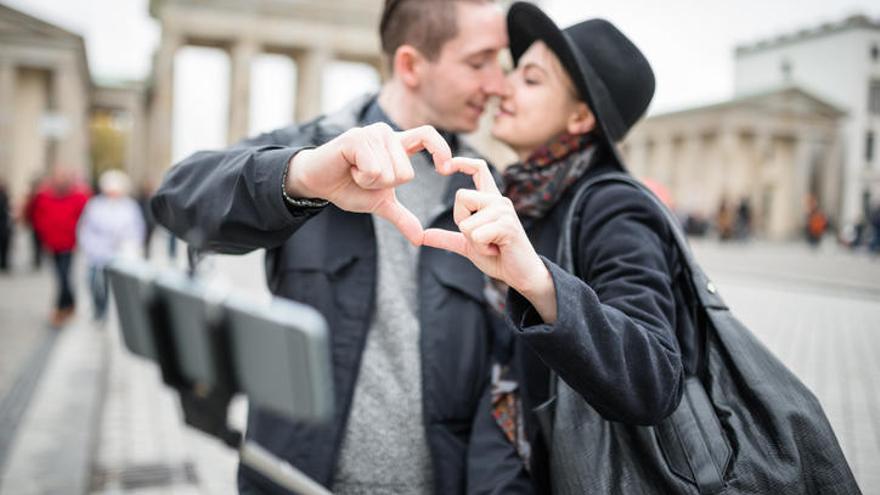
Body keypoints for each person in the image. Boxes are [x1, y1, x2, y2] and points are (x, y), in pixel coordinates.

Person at [151, 0, 533, 493]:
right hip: (295, 480)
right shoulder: (310, 150)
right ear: (411, 65)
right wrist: (302, 176)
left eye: (501, 66)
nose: (499, 85)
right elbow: (175, 198)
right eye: (479, 62)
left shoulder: (490, 191)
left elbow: (503, 383)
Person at [422, 4, 687, 491]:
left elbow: (655, 377)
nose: (502, 87)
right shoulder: (527, 197)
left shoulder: (614, 207)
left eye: (532, 79)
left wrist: (539, 284)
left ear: (581, 115)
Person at [77, 170, 145, 321]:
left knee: (114, 286)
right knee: (94, 283)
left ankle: (111, 312)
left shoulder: (130, 206)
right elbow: (86, 228)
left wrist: (130, 247)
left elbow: (136, 229)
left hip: (120, 253)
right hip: (97, 252)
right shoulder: (95, 205)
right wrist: (90, 247)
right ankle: (99, 308)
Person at [31, 165, 91, 327]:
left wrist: (82, 239)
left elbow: (86, 219)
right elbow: (36, 215)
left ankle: (59, 309)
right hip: (52, 242)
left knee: (63, 275)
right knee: (60, 275)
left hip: (69, 243)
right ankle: (70, 303)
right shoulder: (43, 196)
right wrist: (42, 233)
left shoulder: (79, 196)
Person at [0, 180, 10, 273]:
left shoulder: (4, 196)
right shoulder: (4, 196)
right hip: (3, 225)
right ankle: (4, 263)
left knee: (4, 245)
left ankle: (4, 263)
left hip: (3, 225)